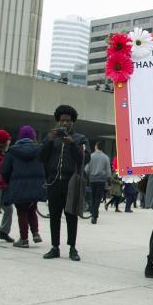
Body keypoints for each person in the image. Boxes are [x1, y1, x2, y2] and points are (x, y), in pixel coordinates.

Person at [39, 105, 90, 261]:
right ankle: (55, 247)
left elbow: (85, 159)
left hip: (71, 182)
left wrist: (72, 144)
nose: (64, 124)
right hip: (54, 182)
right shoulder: (51, 137)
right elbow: (41, 157)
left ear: (73, 122)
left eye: (68, 121)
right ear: (58, 121)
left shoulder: (80, 139)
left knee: (71, 215)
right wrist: (49, 140)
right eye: (62, 121)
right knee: (54, 215)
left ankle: (72, 248)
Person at [0, 126, 46, 248]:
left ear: (20, 136)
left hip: (18, 186)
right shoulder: (40, 150)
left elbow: (4, 170)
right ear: (33, 137)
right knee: (32, 208)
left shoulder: (12, 151)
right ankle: (35, 233)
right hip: (36, 185)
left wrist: (9, 182)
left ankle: (24, 239)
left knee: (22, 211)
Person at [85, 141, 111, 224]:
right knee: (98, 198)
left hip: (92, 180)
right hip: (101, 180)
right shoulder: (105, 157)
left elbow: (86, 170)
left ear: (96, 146)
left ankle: (93, 213)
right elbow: (108, 172)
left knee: (92, 197)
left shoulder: (91, 156)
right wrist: (109, 182)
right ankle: (94, 215)